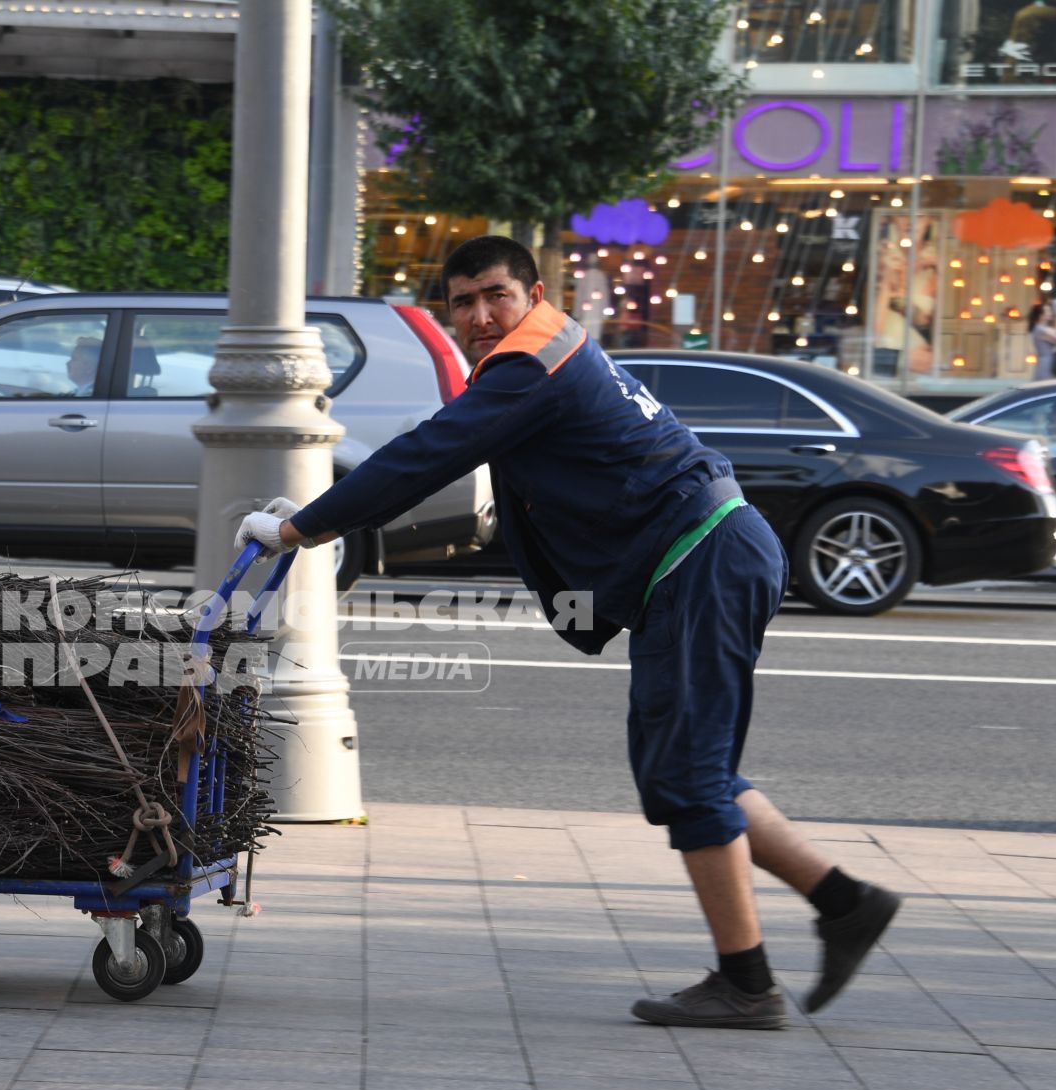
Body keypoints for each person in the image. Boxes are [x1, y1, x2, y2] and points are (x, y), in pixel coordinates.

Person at [237, 235, 902, 1030]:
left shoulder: (530, 363)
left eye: (495, 295)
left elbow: (429, 455)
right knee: (688, 768)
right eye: (462, 302)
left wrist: (302, 529)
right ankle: (844, 902)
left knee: (687, 778)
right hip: (705, 556)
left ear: (534, 294)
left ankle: (748, 983)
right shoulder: (547, 352)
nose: (479, 315)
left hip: (700, 560)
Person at [1029, 301, 1056, 379]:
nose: (1050, 313)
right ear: (1040, 316)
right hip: (1046, 363)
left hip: (1049, 361)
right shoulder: (1039, 329)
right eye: (1047, 311)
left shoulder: (1044, 328)